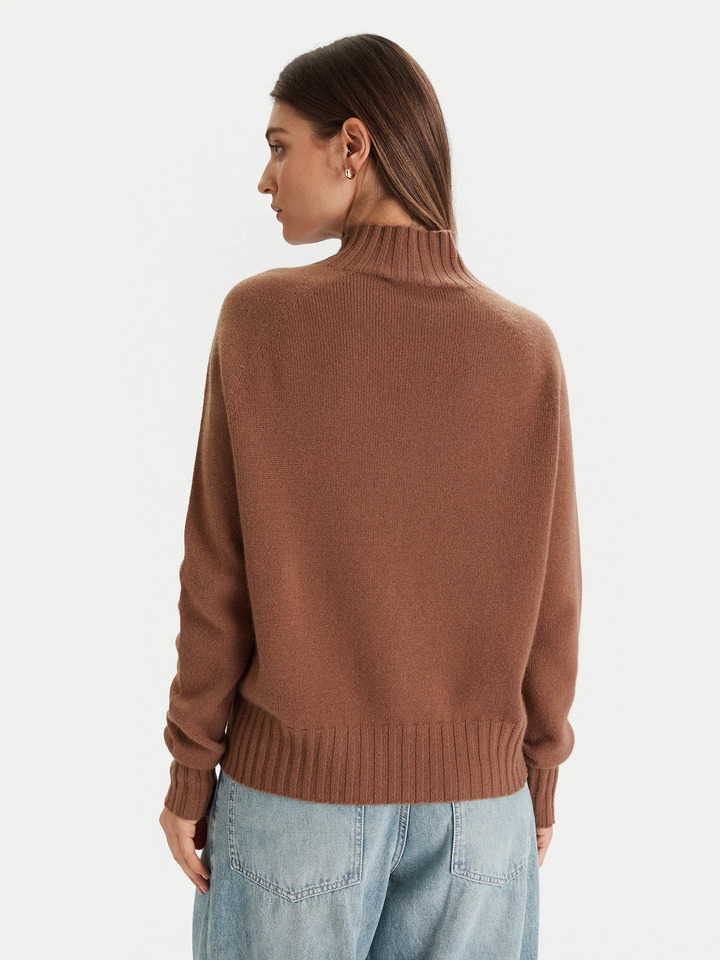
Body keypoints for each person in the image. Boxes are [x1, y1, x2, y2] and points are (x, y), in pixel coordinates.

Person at [159, 33, 582, 960]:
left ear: (352, 145)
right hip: (482, 820)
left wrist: (191, 770)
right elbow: (556, 602)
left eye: (280, 146)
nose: (265, 180)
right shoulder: (526, 349)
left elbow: (215, 577)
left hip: (296, 803)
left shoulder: (260, 321)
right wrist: (539, 778)